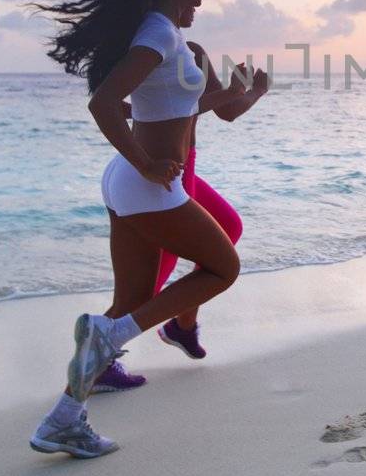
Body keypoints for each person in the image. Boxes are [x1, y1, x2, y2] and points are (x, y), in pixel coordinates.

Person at [12, 0, 245, 458]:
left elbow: (173, 108)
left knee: (136, 300)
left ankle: (64, 419)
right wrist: (147, 163)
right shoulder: (157, 35)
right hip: (146, 183)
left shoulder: (167, 36)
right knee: (224, 268)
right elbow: (104, 102)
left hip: (130, 182)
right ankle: (109, 335)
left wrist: (243, 95)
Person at [89, 50, 266, 391]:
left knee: (229, 227)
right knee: (145, 288)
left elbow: (224, 111)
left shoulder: (187, 49)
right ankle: (98, 362)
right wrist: (254, 89)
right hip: (163, 171)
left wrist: (247, 90)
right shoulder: (154, 47)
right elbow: (116, 105)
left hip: (183, 164)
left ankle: (182, 324)